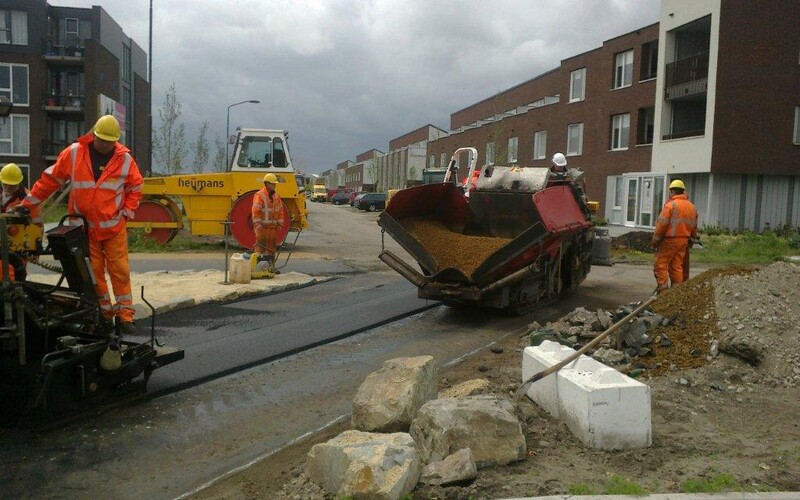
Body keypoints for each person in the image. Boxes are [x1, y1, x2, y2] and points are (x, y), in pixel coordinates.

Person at [20, 115, 143, 336]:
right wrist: (26, 205)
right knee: (93, 275)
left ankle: (125, 317)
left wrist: (127, 213)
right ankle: (104, 315)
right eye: (101, 140)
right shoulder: (75, 153)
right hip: (85, 230)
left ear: (116, 141)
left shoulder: (125, 160)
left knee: (120, 272)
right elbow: (50, 181)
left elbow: (136, 187)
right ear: (93, 135)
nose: (105, 145)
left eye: (109, 141)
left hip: (114, 227)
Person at [651, 179, 698, 294]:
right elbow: (694, 226)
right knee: (677, 266)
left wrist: (655, 242)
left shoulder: (670, 206)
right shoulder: (692, 207)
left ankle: (663, 292)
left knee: (660, 264)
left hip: (669, 240)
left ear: (672, 192)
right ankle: (676, 292)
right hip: (683, 241)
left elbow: (661, 225)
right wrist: (693, 238)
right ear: (683, 191)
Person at [251, 173, 284, 270]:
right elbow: (255, 210)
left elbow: (280, 211)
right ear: (267, 184)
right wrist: (257, 223)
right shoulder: (259, 195)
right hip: (262, 227)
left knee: (271, 248)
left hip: (273, 227)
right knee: (260, 246)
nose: (275, 185)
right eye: (273, 183)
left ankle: (270, 268)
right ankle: (258, 268)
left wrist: (280, 224)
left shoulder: (276, 196)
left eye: (275, 183)